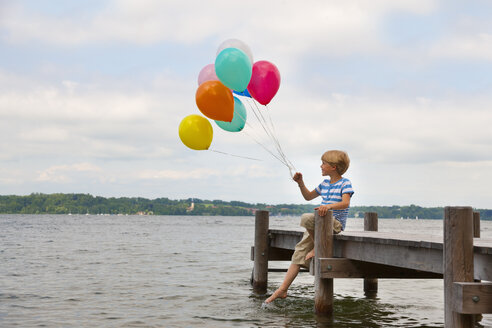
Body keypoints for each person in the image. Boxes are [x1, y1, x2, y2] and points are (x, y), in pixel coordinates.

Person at [265, 150, 354, 304]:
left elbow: (345, 203)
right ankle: (283, 289)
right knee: (299, 253)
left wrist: (329, 206)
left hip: (335, 223)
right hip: (320, 224)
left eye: (323, 163)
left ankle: (317, 246)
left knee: (306, 218)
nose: (321, 166)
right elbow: (308, 196)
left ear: (333, 167)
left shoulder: (345, 183)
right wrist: (300, 183)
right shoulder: (324, 184)